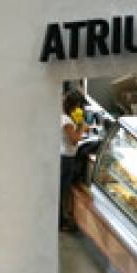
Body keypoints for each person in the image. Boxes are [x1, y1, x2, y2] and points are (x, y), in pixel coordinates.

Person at [60, 90, 88, 231]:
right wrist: (82, 127)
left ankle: (62, 220)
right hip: (66, 158)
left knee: (63, 190)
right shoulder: (66, 121)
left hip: (65, 157)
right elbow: (73, 140)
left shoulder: (65, 117)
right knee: (62, 191)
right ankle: (61, 222)